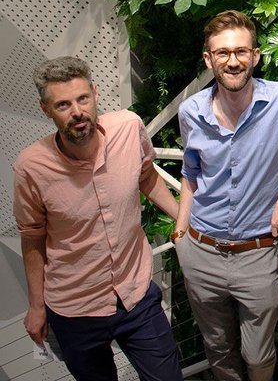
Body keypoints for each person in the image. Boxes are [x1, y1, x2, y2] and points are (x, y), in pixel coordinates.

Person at [13, 56, 182, 381]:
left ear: (95, 93)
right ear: (46, 109)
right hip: (74, 309)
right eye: (63, 104)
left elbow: (145, 176)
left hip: (135, 294)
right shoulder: (30, 167)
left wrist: (182, 217)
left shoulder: (128, 127)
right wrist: (36, 306)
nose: (77, 111)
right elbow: (32, 236)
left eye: (82, 99)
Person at [173, 9, 278, 381]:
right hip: (200, 251)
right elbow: (191, 175)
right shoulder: (190, 111)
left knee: (258, 352)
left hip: (258, 253)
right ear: (209, 59)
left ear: (255, 55)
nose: (232, 61)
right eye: (222, 53)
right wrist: (180, 233)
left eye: (240, 52)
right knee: (217, 349)